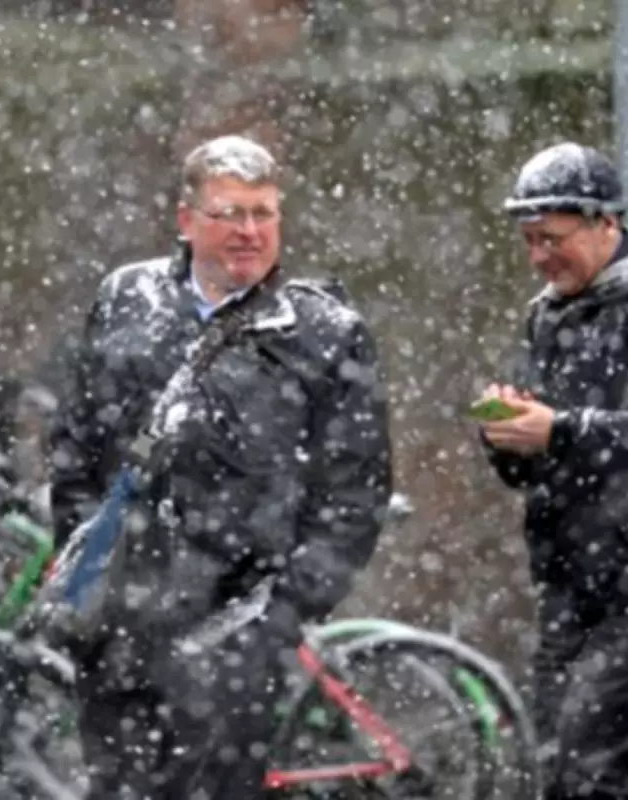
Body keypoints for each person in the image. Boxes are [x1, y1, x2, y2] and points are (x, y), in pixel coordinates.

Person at [48, 134, 392, 799]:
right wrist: (84, 562)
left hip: (234, 631)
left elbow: (356, 492)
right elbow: (76, 449)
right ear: (186, 220)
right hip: (117, 625)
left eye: (263, 213)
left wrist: (279, 617)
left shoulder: (323, 332)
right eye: (228, 213)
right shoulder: (125, 300)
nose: (249, 231)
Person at [477, 141, 628, 800]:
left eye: (552, 239)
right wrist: (507, 435)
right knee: (558, 771)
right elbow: (537, 457)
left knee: (590, 769)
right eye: (528, 241)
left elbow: (579, 434)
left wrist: (564, 430)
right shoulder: (545, 313)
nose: (538, 258)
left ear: (607, 223)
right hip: (569, 584)